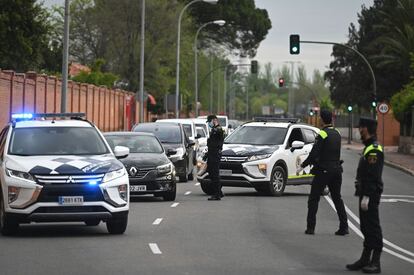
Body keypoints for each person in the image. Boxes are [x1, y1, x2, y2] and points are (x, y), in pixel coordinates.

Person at [298, 109, 349, 235]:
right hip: (337, 170)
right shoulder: (336, 133)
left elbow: (314, 153)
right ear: (331, 119)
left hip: (324, 171)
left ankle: (311, 228)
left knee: (313, 199)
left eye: (320, 118)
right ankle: (344, 227)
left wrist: (303, 165)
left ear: (322, 120)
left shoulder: (322, 134)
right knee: (337, 198)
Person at [346, 117, 384, 274]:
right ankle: (365, 258)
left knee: (373, 227)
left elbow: (373, 176)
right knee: (365, 227)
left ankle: (376, 262)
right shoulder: (368, 147)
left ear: (366, 129)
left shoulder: (374, 149)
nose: (359, 130)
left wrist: (367, 196)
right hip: (364, 193)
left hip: (370, 195)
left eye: (360, 128)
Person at [205, 114, 225, 201]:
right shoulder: (214, 129)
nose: (209, 124)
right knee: (211, 173)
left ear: (214, 120)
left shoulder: (219, 129)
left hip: (215, 155)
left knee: (215, 174)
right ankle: (219, 192)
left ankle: (216, 194)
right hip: (212, 154)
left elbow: (215, 143)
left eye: (210, 122)